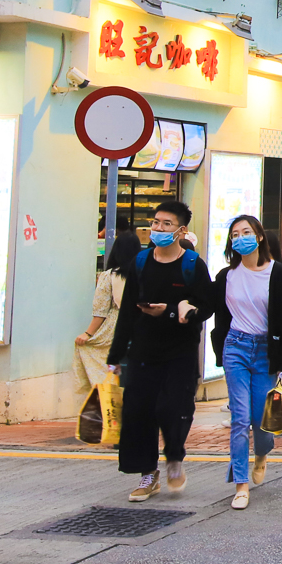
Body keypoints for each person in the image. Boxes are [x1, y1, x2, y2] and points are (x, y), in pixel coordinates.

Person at [108, 200, 213, 503]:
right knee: (139, 412)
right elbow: (127, 312)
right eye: (156, 222)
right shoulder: (140, 262)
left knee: (173, 409)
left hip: (180, 351)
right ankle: (148, 474)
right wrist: (116, 355)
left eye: (167, 224)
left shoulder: (192, 265)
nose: (159, 228)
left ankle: (175, 457)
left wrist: (176, 311)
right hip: (143, 351)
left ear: (181, 230)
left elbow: (207, 306)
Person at [211, 215, 282, 510]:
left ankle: (261, 454)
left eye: (246, 232)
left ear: (260, 236)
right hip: (235, 346)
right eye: (235, 234)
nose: (240, 238)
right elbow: (211, 307)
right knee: (240, 417)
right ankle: (240, 483)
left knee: (261, 419)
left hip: (265, 351)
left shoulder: (278, 273)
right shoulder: (226, 276)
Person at [75, 231, 139, 395]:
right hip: (141, 325)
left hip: (115, 328)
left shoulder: (109, 276)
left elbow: (101, 311)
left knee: (103, 364)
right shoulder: (145, 273)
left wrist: (88, 334)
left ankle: (110, 398)